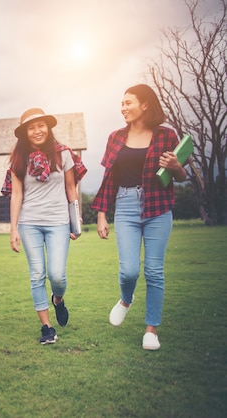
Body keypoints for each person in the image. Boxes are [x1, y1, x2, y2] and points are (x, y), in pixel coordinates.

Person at [92, 84, 186, 350]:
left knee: (154, 272)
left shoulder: (167, 136)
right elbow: (109, 178)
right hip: (125, 205)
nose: (123, 107)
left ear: (145, 104)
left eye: (128, 102)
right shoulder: (115, 137)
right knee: (129, 269)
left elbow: (180, 176)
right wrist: (101, 214)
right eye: (121, 103)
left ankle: (151, 330)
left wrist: (176, 166)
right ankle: (126, 299)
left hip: (158, 206)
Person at [8, 108, 86, 344]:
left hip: (58, 222)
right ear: (25, 133)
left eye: (41, 125)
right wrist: (13, 228)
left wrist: (76, 220)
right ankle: (46, 327)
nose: (37, 131)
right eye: (31, 127)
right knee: (37, 274)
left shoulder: (63, 154)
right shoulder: (18, 160)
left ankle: (58, 299)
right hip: (29, 222)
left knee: (57, 275)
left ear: (48, 127)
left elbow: (71, 189)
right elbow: (17, 195)